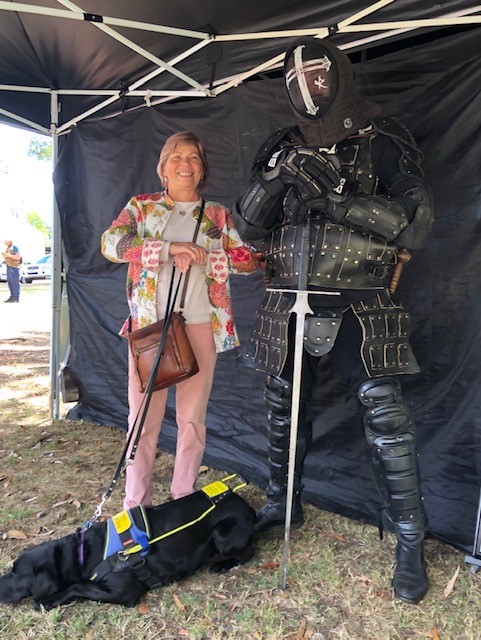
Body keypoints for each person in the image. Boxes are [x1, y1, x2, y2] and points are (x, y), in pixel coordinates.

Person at [233, 38, 434, 604]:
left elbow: (416, 225)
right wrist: (278, 180)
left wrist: (337, 201)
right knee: (283, 407)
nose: (306, 87)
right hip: (285, 295)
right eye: (295, 80)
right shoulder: (280, 144)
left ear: (339, 74)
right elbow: (249, 228)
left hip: (360, 301)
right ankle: (282, 501)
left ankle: (410, 537)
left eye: (317, 75)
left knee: (386, 419)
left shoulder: (383, 137)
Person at [101, 131, 259, 511]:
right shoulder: (142, 208)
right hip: (150, 328)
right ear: (163, 168)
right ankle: (135, 503)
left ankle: (183, 497)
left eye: (192, 157)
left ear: (201, 169)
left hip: (202, 324)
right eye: (176, 157)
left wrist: (208, 255)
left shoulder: (217, 215)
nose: (184, 163)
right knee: (143, 418)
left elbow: (247, 260)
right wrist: (168, 249)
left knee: (192, 419)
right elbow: (110, 244)